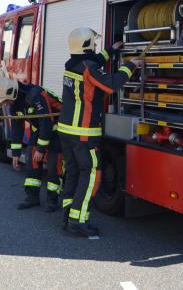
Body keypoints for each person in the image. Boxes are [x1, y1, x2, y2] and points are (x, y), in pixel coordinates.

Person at [58, 27, 140, 238]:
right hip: (83, 133)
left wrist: (111, 50)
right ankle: (78, 221)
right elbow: (111, 84)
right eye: (93, 42)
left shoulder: (73, 64)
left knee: (73, 173)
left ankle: (68, 214)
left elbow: (94, 62)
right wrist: (131, 65)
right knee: (89, 174)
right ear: (86, 45)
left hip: (67, 132)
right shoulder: (88, 67)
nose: (95, 45)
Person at [0, 76, 63, 212]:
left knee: (54, 165)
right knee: (32, 160)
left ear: (11, 93)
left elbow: (47, 122)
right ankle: (32, 197)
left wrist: (41, 149)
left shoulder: (35, 95)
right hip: (42, 128)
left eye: (6, 102)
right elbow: (17, 128)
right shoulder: (15, 103)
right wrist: (16, 154)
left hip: (58, 127)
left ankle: (52, 201)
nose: (5, 105)